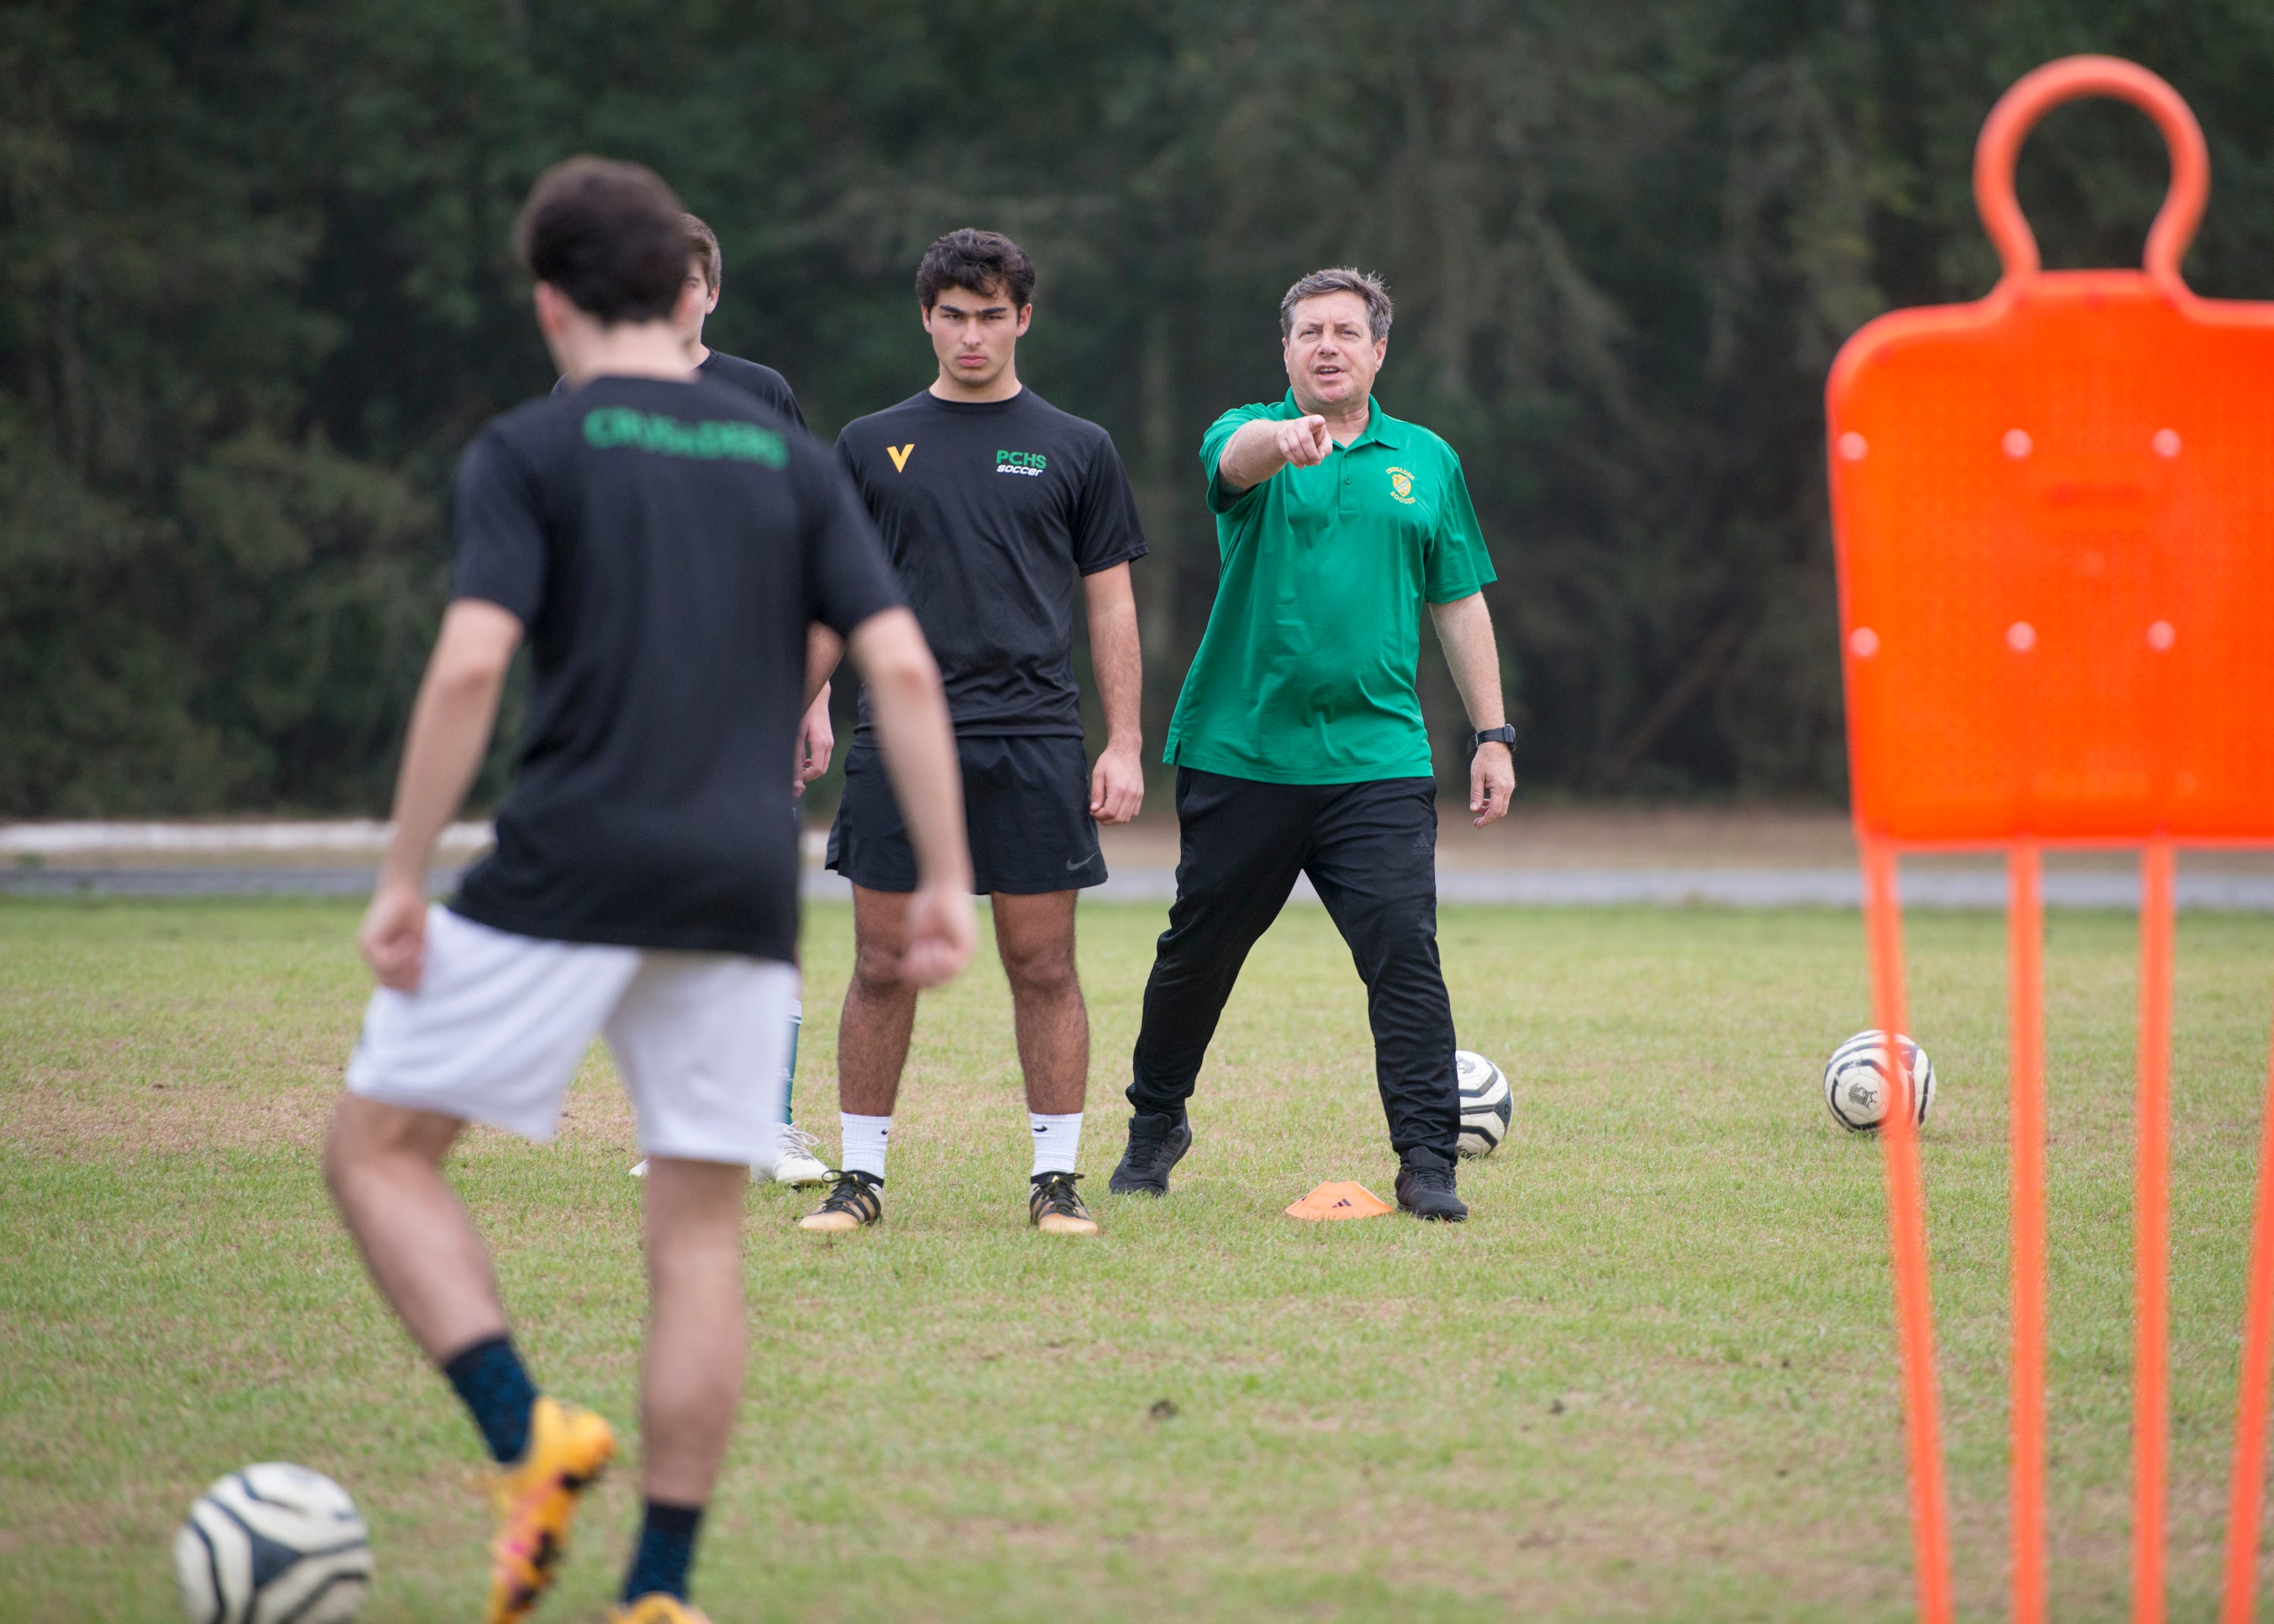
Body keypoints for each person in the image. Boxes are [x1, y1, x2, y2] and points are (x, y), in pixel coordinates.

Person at [322, 157, 975, 1624]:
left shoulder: (529, 447)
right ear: (688, 293)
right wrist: (942, 873)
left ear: (551, 303)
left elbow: (472, 666)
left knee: (378, 1153)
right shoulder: (785, 455)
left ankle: (526, 1428)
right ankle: (662, 1587)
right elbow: (901, 665)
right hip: (741, 880)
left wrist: (404, 873)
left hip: (570, 860)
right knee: (695, 1239)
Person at [1110, 267, 1516, 1223]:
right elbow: (1234, 463)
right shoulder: (1248, 432)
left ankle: (1427, 1161)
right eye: (1308, 333)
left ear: (1379, 350)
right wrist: (1282, 440)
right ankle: (1155, 1123)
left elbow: (1458, 601)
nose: (1327, 346)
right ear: (1286, 351)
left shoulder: (1427, 460)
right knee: (1199, 952)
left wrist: (1493, 733)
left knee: (1404, 951)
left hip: (1378, 760)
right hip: (1242, 751)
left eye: (1345, 331)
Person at [803, 228, 1148, 1238]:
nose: (971, 335)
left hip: (1034, 736)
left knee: (1042, 963)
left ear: (1023, 319)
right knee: (883, 962)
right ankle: (859, 1178)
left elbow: (1112, 606)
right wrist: (798, 704)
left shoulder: (1078, 446)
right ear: (926, 317)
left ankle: (1056, 1180)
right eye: (953, 315)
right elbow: (830, 600)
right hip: (898, 738)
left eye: (991, 315)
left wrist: (1125, 741)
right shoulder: (870, 442)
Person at [595, 211, 837, 1189]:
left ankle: (767, 1122)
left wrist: (813, 698)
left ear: (712, 293)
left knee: (756, 902)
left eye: (683, 280)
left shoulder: (758, 391)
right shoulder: (588, 392)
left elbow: (811, 543)